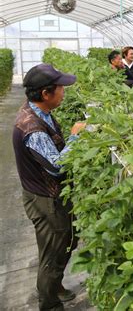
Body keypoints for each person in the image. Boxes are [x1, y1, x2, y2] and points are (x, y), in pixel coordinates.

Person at [12, 63, 86, 310]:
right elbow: (56, 166)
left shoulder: (39, 112)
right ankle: (49, 303)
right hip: (45, 200)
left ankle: (54, 287)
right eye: (61, 88)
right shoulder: (32, 128)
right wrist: (75, 136)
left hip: (52, 195)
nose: (64, 92)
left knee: (67, 241)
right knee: (52, 254)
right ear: (46, 94)